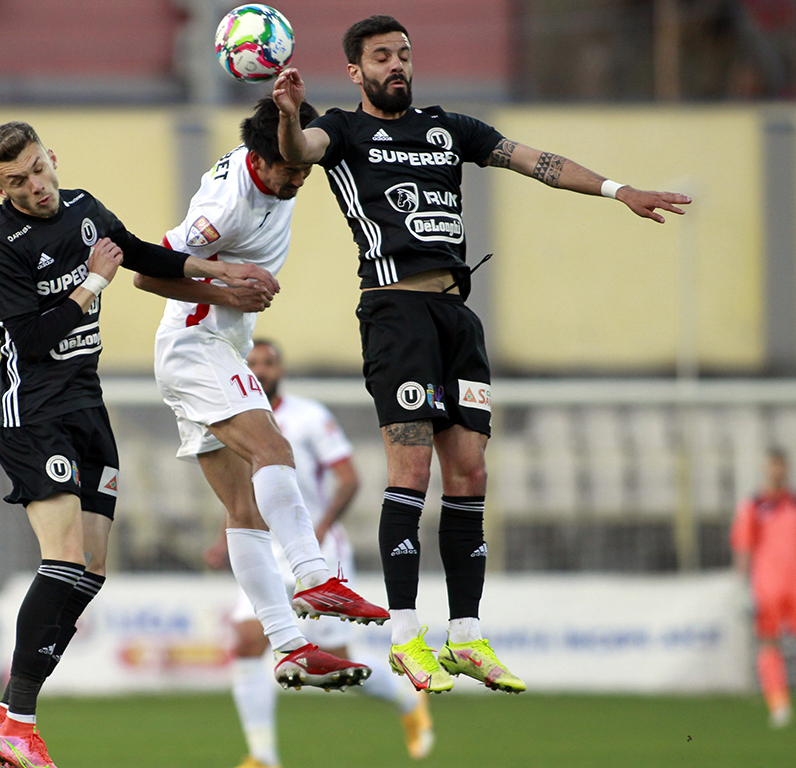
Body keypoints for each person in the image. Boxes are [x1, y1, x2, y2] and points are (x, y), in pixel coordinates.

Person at [273, 14, 692, 694]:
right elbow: (301, 148)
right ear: (356, 71)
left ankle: (465, 636)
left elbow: (539, 163)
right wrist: (290, 115)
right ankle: (408, 635)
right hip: (395, 312)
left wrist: (620, 192)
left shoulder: (450, 128)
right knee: (409, 468)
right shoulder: (345, 132)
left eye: (404, 53)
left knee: (469, 471)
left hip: (456, 317)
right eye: (382, 56)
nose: (397, 64)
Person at [0, 120, 280, 768]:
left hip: (86, 407)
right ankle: (19, 719)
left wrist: (219, 272)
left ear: (51, 157)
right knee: (64, 557)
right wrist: (93, 283)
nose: (34, 188)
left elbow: (142, 252)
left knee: (91, 572)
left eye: (36, 171)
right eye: (16, 183)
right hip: (34, 415)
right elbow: (29, 340)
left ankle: (7, 713)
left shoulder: (83, 207)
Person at [136, 97, 388, 696]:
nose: (297, 179)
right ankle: (313, 575)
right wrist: (225, 288)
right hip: (198, 344)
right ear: (258, 158)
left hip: (207, 349)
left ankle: (290, 646)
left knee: (243, 513)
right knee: (273, 447)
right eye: (287, 169)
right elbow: (147, 271)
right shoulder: (226, 204)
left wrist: (290, 109)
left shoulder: (280, 166)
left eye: (304, 169)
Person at [204, 340, 434, 768]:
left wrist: (323, 524)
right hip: (262, 546)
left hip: (315, 548)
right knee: (248, 640)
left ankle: (405, 699)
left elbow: (348, 478)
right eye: (251, 362)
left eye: (268, 362)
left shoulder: (309, 417)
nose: (259, 369)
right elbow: (239, 491)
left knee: (339, 664)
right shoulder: (233, 418)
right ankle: (263, 756)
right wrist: (224, 539)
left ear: (280, 369)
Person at [731, 449, 796, 728]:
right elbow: (743, 547)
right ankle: (779, 706)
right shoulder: (751, 506)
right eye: (772, 467)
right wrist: (742, 586)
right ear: (765, 469)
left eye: (781, 467)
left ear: (787, 469)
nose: (776, 472)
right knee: (768, 642)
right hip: (767, 587)